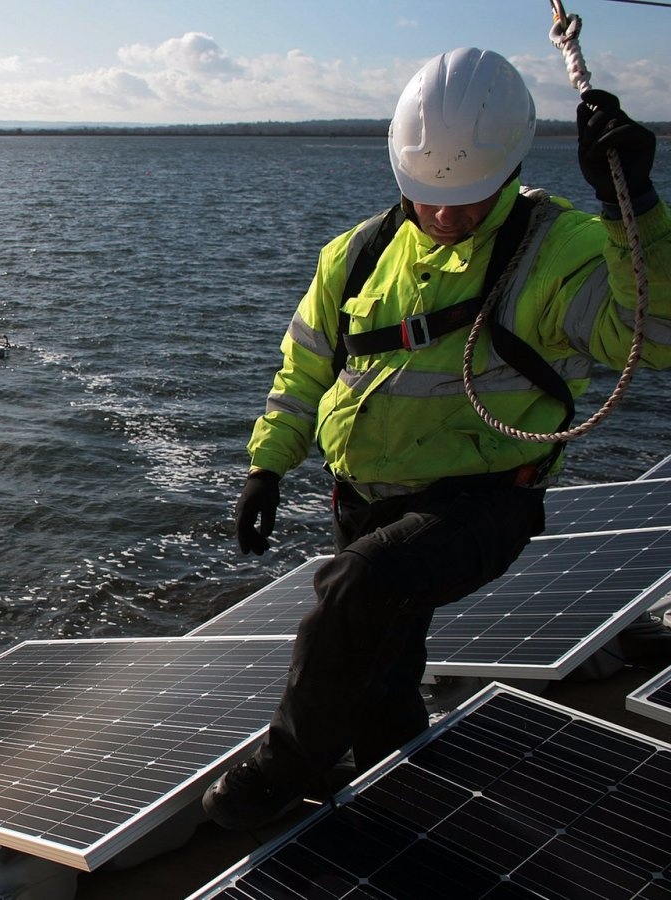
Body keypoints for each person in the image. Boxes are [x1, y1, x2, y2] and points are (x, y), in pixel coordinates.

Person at [203, 47, 670, 831]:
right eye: (430, 199)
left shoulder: (564, 251)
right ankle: (395, 790)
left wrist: (638, 214)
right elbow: (306, 370)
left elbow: (653, 336)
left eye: (470, 200)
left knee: (360, 587)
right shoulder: (355, 256)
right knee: (383, 667)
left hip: (482, 502)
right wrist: (267, 466)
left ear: (512, 169)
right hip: (361, 498)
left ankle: (281, 770)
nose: (448, 216)